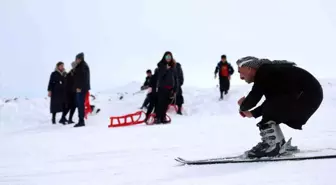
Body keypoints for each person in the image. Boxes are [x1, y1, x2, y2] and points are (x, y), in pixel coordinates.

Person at [236, 56, 323, 158]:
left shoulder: (264, 71)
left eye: (240, 72)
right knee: (272, 109)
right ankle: (279, 143)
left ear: (249, 68)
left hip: (306, 95)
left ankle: (272, 146)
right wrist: (253, 113)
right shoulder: (270, 73)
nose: (241, 77)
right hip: (308, 96)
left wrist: (243, 106)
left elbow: (255, 96)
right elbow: (273, 101)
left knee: (271, 110)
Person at [155, 51, 179, 124]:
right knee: (160, 103)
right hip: (162, 88)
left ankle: (163, 117)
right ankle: (158, 118)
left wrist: (175, 89)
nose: (168, 58)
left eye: (169, 57)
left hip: (170, 89)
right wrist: (165, 68)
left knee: (166, 104)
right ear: (164, 57)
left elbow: (176, 78)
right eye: (167, 57)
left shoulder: (173, 67)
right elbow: (159, 76)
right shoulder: (161, 65)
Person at [73, 52, 91, 127]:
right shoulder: (81, 65)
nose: (76, 60)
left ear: (80, 59)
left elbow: (84, 78)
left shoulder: (83, 66)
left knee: (80, 105)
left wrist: (80, 87)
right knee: (80, 105)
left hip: (81, 89)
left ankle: (81, 121)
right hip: (81, 88)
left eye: (77, 59)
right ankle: (81, 120)